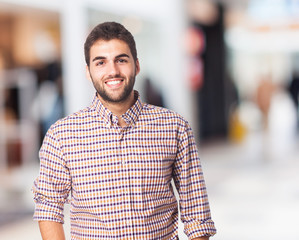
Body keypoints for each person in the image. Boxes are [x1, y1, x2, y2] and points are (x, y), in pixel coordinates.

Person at [32, 21, 216, 240]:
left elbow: (197, 214)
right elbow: (49, 207)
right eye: (100, 62)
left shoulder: (174, 127)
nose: (113, 71)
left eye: (121, 60)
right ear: (88, 72)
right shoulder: (61, 135)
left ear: (137, 65)